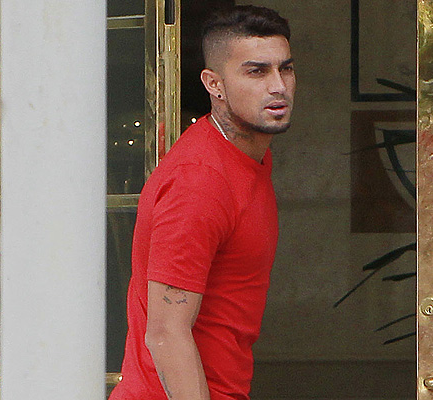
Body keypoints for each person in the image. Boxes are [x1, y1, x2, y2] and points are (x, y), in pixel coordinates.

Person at [109, 5, 296, 400]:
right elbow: (166, 333)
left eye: (286, 69)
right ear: (215, 84)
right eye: (257, 71)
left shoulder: (247, 158)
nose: (278, 86)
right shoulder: (200, 181)